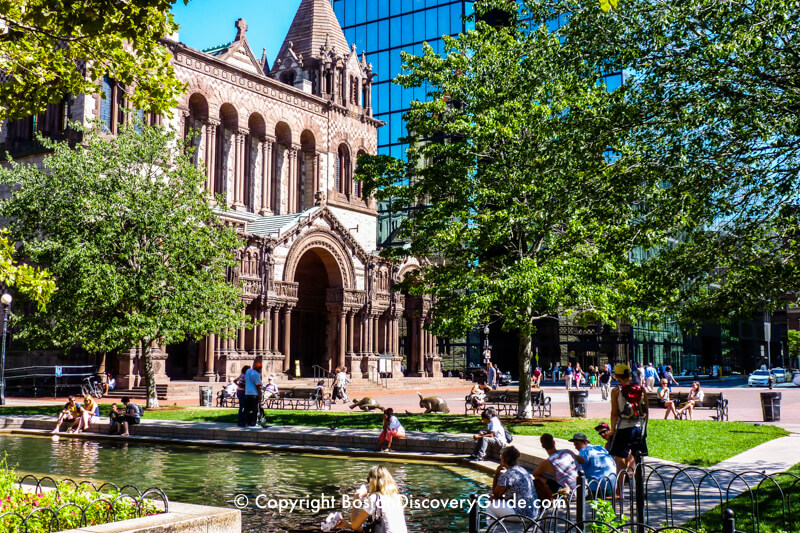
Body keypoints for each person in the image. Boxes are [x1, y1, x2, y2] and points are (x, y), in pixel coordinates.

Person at [336, 465, 408, 533]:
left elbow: (355, 526)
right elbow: (373, 529)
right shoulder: (396, 498)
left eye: (368, 480)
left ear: (372, 482)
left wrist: (356, 498)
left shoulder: (374, 498)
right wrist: (347, 525)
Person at [608, 363, 648, 474]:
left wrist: (612, 430)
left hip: (623, 427)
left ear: (617, 376)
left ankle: (619, 489)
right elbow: (646, 410)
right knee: (638, 458)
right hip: (639, 427)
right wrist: (644, 427)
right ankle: (640, 486)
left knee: (620, 459)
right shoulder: (640, 388)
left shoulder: (616, 391)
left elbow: (614, 413)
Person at [488, 446, 538, 520]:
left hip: (523, 515)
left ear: (503, 459)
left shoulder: (506, 476)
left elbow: (495, 494)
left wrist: (496, 474)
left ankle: (490, 528)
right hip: (534, 512)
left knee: (490, 504)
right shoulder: (522, 470)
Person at [532, 433, 579, 500]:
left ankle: (550, 500)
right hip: (584, 488)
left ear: (542, 446)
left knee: (538, 480)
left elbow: (535, 474)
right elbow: (582, 460)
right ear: (554, 442)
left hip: (571, 495)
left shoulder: (548, 462)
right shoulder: (567, 452)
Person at [244, 361, 263, 426]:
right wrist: (260, 395)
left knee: (247, 408)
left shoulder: (248, 371)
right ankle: (253, 422)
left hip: (247, 393)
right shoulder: (256, 374)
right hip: (254, 394)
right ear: (258, 368)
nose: (260, 369)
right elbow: (258, 385)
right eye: (260, 368)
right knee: (254, 409)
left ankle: (246, 421)